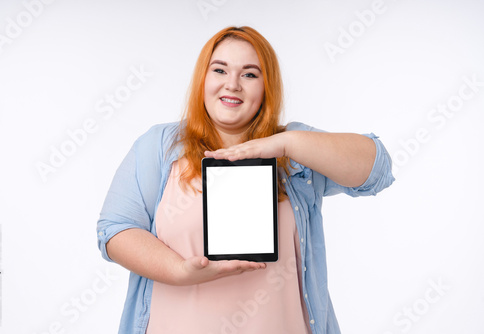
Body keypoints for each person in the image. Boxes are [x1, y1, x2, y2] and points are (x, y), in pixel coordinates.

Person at [96, 26, 394, 334]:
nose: (232, 84)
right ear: (203, 78)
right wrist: (180, 271)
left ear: (267, 86)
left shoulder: (294, 149)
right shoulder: (158, 146)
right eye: (220, 70)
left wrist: (285, 144)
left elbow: (377, 169)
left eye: (250, 74)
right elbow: (115, 230)